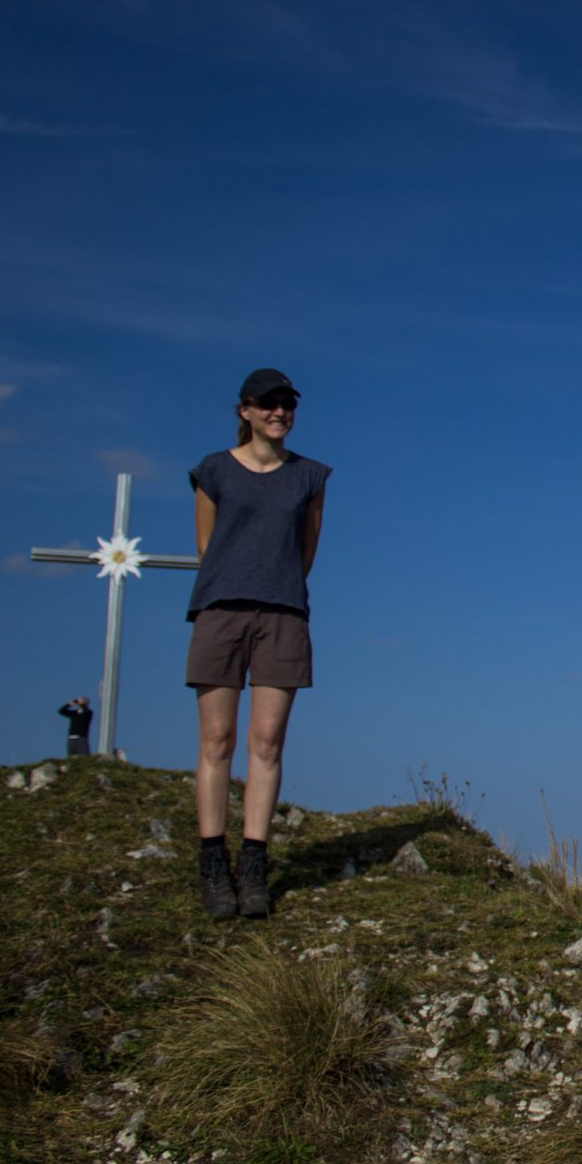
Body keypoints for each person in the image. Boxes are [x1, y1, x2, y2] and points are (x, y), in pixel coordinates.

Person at [185, 367, 330, 920]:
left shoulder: (311, 477)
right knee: (217, 740)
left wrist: (279, 588)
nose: (280, 412)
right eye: (268, 403)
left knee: (267, 743)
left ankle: (253, 864)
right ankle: (212, 865)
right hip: (221, 610)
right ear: (245, 410)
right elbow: (208, 545)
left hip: (284, 613)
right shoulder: (214, 471)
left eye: (288, 404)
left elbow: (307, 550)